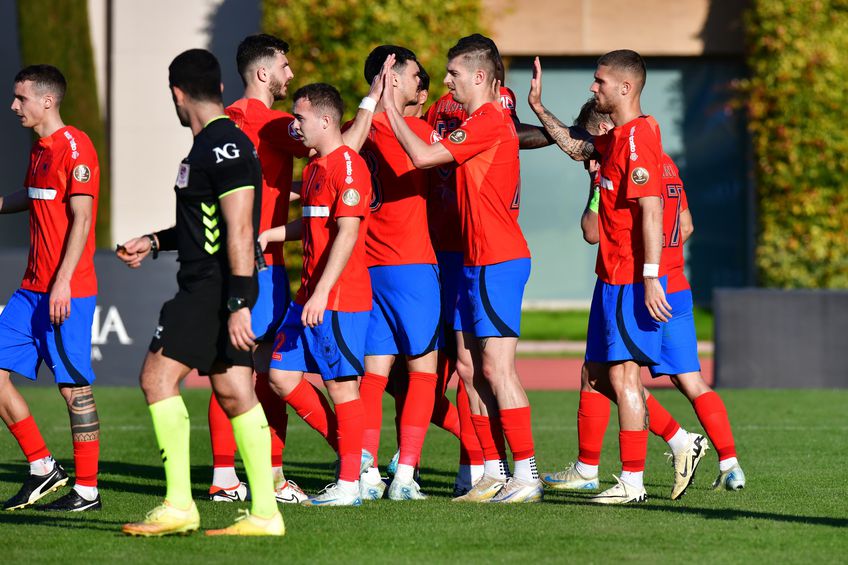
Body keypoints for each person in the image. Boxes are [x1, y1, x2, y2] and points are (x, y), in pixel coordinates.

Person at [118, 49, 283, 536]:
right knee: (235, 392)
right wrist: (154, 242)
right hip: (214, 283)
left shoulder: (222, 145)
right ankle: (265, 514)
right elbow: (203, 224)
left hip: (210, 289)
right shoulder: (211, 145)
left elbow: (238, 229)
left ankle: (178, 506)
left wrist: (238, 303)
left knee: (156, 379)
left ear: (177, 93)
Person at [542, 99, 744, 497]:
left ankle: (641, 465)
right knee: (686, 380)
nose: (585, 157)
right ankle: (730, 463)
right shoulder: (665, 163)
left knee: (616, 376)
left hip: (637, 285)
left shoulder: (619, 163)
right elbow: (685, 225)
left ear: (601, 133)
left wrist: (595, 186)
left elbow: (591, 231)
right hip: (675, 286)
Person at [382, 34, 542, 504]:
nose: (445, 80)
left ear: (478, 76)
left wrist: (390, 106)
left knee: (498, 369)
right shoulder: (478, 120)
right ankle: (493, 471)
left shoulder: (490, 119)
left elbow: (424, 156)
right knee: (470, 368)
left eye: (453, 73)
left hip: (498, 259)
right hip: (474, 260)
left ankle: (527, 474)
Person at [528, 50, 674, 504]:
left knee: (626, 378)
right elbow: (577, 146)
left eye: (600, 81)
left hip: (631, 278)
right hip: (610, 277)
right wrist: (537, 106)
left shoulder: (639, 138)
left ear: (626, 88)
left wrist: (651, 277)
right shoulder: (618, 139)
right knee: (596, 375)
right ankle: (592, 468)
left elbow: (653, 210)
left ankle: (632, 483)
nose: (594, 88)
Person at [204, 33, 309, 505]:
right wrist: (374, 101)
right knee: (254, 371)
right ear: (264, 73)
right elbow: (333, 140)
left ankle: (232, 477)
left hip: (231, 262)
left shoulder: (222, 123)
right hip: (260, 267)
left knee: (240, 368)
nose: (290, 75)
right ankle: (259, 476)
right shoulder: (275, 124)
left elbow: (243, 190)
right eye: (285, 67)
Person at [259, 82, 375, 507]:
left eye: (300, 118)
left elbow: (347, 233)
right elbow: (308, 226)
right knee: (280, 376)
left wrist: (323, 293)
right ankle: (354, 457)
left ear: (325, 120)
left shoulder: (349, 167)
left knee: (342, 387)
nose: (294, 126)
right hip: (308, 292)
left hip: (338, 297)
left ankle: (348, 487)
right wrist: (267, 236)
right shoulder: (313, 169)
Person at [0, 65, 102, 512]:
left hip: (67, 290)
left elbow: (81, 218)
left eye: (20, 98)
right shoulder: (40, 148)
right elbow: (33, 195)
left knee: (73, 389)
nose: (13, 106)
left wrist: (61, 283)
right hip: (30, 289)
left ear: (46, 101)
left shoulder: (75, 147)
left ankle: (87, 490)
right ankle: (43, 468)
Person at [355, 45, 443, 501]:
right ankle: (405, 475)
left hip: (371, 267)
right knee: (423, 372)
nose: (419, 85)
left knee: (375, 374)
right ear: (391, 79)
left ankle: (366, 472)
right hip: (412, 267)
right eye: (411, 77)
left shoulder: (359, 129)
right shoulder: (413, 129)